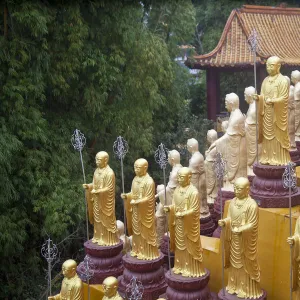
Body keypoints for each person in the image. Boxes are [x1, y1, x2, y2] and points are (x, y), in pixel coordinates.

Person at [218, 177, 263, 298]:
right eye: (235, 188)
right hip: (233, 238)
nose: (236, 191)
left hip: (245, 241)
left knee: (245, 264)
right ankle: (234, 286)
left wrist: (241, 229)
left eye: (240, 189)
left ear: (247, 189)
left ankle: (246, 289)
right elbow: (229, 218)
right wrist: (225, 222)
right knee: (234, 264)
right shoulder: (233, 202)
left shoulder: (252, 205)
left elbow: (253, 224)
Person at [165, 167, 206, 277]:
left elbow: (195, 210)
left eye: (181, 177)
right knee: (180, 246)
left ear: (189, 178)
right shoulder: (177, 189)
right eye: (178, 177)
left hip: (189, 227)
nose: (179, 179)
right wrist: (170, 208)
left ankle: (191, 268)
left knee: (189, 247)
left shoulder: (193, 192)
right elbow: (174, 204)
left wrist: (184, 214)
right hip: (178, 224)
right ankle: (180, 266)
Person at [253, 56, 290, 165]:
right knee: (266, 137)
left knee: (276, 136)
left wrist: (273, 101)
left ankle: (278, 158)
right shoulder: (265, 80)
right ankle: (267, 157)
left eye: (271, 65)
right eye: (267, 66)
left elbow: (284, 98)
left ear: (278, 67)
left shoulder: (282, 81)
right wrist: (259, 98)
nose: (268, 68)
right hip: (266, 114)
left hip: (276, 115)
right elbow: (263, 96)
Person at [121, 158, 159, 260]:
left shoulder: (149, 181)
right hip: (136, 211)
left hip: (145, 214)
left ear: (145, 168)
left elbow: (149, 198)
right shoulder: (135, 179)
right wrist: (127, 196)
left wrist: (138, 202)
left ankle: (147, 252)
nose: (136, 170)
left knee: (145, 233)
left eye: (138, 168)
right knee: (136, 232)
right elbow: (133, 193)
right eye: (135, 168)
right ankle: (137, 250)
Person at [83, 151, 119, 246]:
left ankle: (107, 239)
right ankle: (98, 236)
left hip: (106, 203)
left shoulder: (109, 173)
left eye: (99, 160)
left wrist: (98, 191)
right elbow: (95, 185)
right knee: (97, 220)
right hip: (97, 201)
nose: (97, 162)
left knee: (105, 220)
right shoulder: (96, 171)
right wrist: (89, 186)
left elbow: (109, 188)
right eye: (96, 159)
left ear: (105, 160)